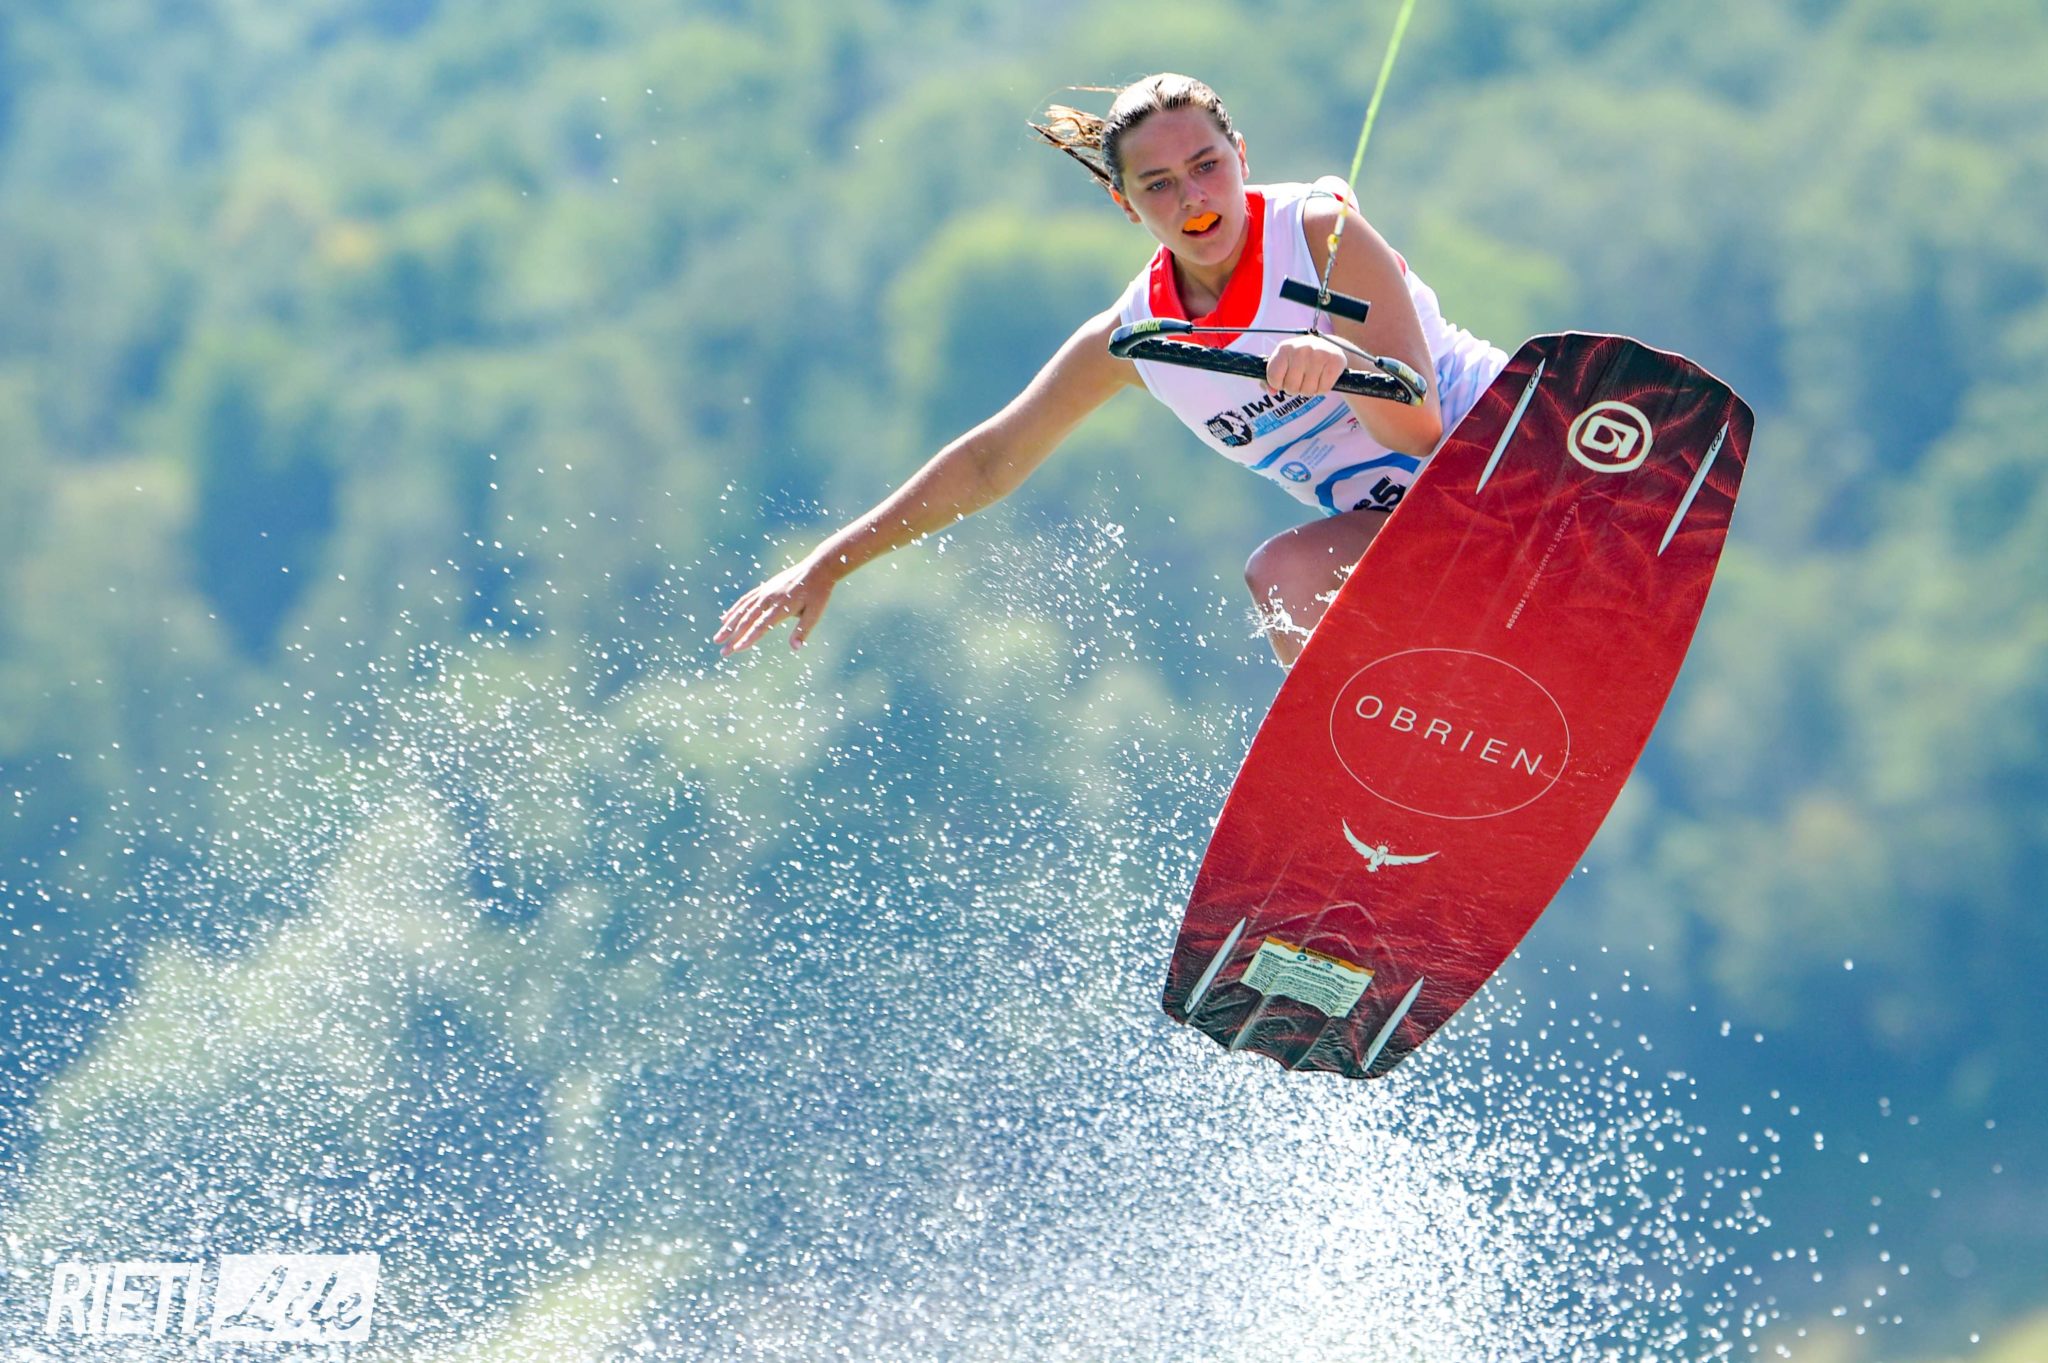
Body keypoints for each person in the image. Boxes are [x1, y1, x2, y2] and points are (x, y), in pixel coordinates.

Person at [715, 73, 1506, 669]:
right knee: (1283, 577)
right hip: (1414, 530)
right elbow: (989, 462)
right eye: (1158, 185)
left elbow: (1420, 430)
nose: (1192, 197)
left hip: (1508, 446)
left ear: (1240, 158)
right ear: (1126, 204)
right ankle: (1406, 766)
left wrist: (1345, 369)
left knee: (1404, 477)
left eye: (1206, 165)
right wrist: (827, 563)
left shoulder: (1320, 232)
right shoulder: (1138, 340)